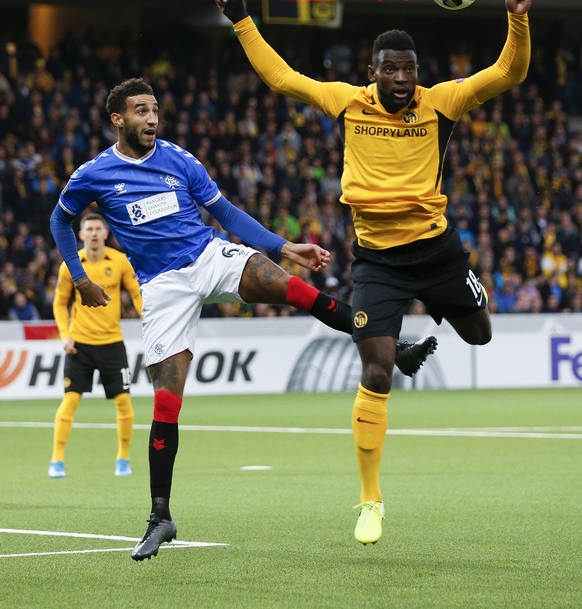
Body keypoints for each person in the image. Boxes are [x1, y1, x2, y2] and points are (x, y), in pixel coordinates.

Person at [49, 78, 436, 561]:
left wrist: (283, 246)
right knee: (167, 401)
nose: (151, 119)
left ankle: (391, 348)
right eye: (141, 111)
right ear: (118, 120)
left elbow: (224, 211)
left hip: (208, 255)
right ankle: (160, 517)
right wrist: (81, 276)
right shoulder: (94, 174)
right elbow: (58, 221)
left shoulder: (180, 160)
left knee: (289, 285)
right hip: (163, 288)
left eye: (155, 110)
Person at [214, 0, 532, 545]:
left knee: (481, 335)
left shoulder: (443, 104)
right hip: (379, 261)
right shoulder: (347, 104)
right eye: (391, 69)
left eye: (409, 69)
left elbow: (509, 71)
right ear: (374, 73)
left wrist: (516, 17)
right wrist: (241, 19)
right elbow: (282, 78)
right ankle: (370, 501)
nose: (402, 78)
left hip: (437, 253)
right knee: (377, 370)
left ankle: (461, 292)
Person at [49, 211, 142, 479]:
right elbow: (59, 303)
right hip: (80, 344)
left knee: (124, 402)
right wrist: (65, 334)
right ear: (80, 235)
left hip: (112, 343)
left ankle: (123, 459)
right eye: (88, 229)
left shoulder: (120, 261)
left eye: (97, 229)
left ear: (105, 233)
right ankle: (57, 460)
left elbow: (136, 294)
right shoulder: (70, 264)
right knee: (70, 401)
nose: (92, 233)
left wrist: (148, 320)